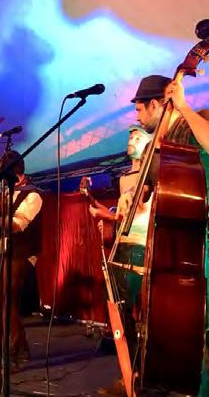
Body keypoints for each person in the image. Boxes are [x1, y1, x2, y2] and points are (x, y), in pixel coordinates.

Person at [125, 74, 209, 397]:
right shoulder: (155, 146)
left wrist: (184, 106)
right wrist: (133, 197)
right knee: (188, 333)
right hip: (181, 243)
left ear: (155, 104)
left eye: (139, 108)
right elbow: (150, 191)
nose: (136, 116)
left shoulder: (201, 118)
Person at [89, 125, 152, 396]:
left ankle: (138, 376)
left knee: (135, 311)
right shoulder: (125, 177)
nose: (131, 140)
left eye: (137, 136)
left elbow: (142, 209)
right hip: (124, 245)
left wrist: (109, 215)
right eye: (130, 136)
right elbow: (124, 214)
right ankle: (130, 374)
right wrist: (110, 216)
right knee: (120, 310)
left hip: (142, 246)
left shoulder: (152, 173)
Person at [0, 150, 43, 364]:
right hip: (7, 250)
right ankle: (20, 347)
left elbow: (18, 225)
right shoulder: (8, 193)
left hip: (24, 252)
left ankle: (14, 348)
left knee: (7, 297)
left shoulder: (32, 195)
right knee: (2, 300)